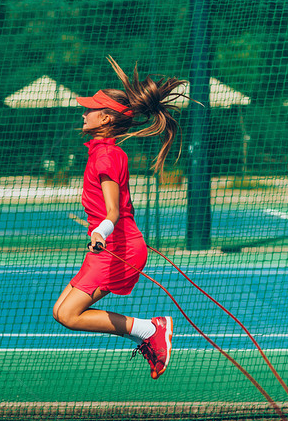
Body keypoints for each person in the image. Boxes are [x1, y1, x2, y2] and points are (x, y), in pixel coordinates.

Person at [52, 56, 188, 380]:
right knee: (61, 312)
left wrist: (100, 231)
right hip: (111, 245)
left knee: (69, 314)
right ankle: (147, 332)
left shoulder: (108, 155)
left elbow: (113, 211)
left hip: (118, 248)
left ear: (107, 118)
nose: (84, 112)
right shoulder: (101, 152)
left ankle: (151, 330)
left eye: (91, 108)